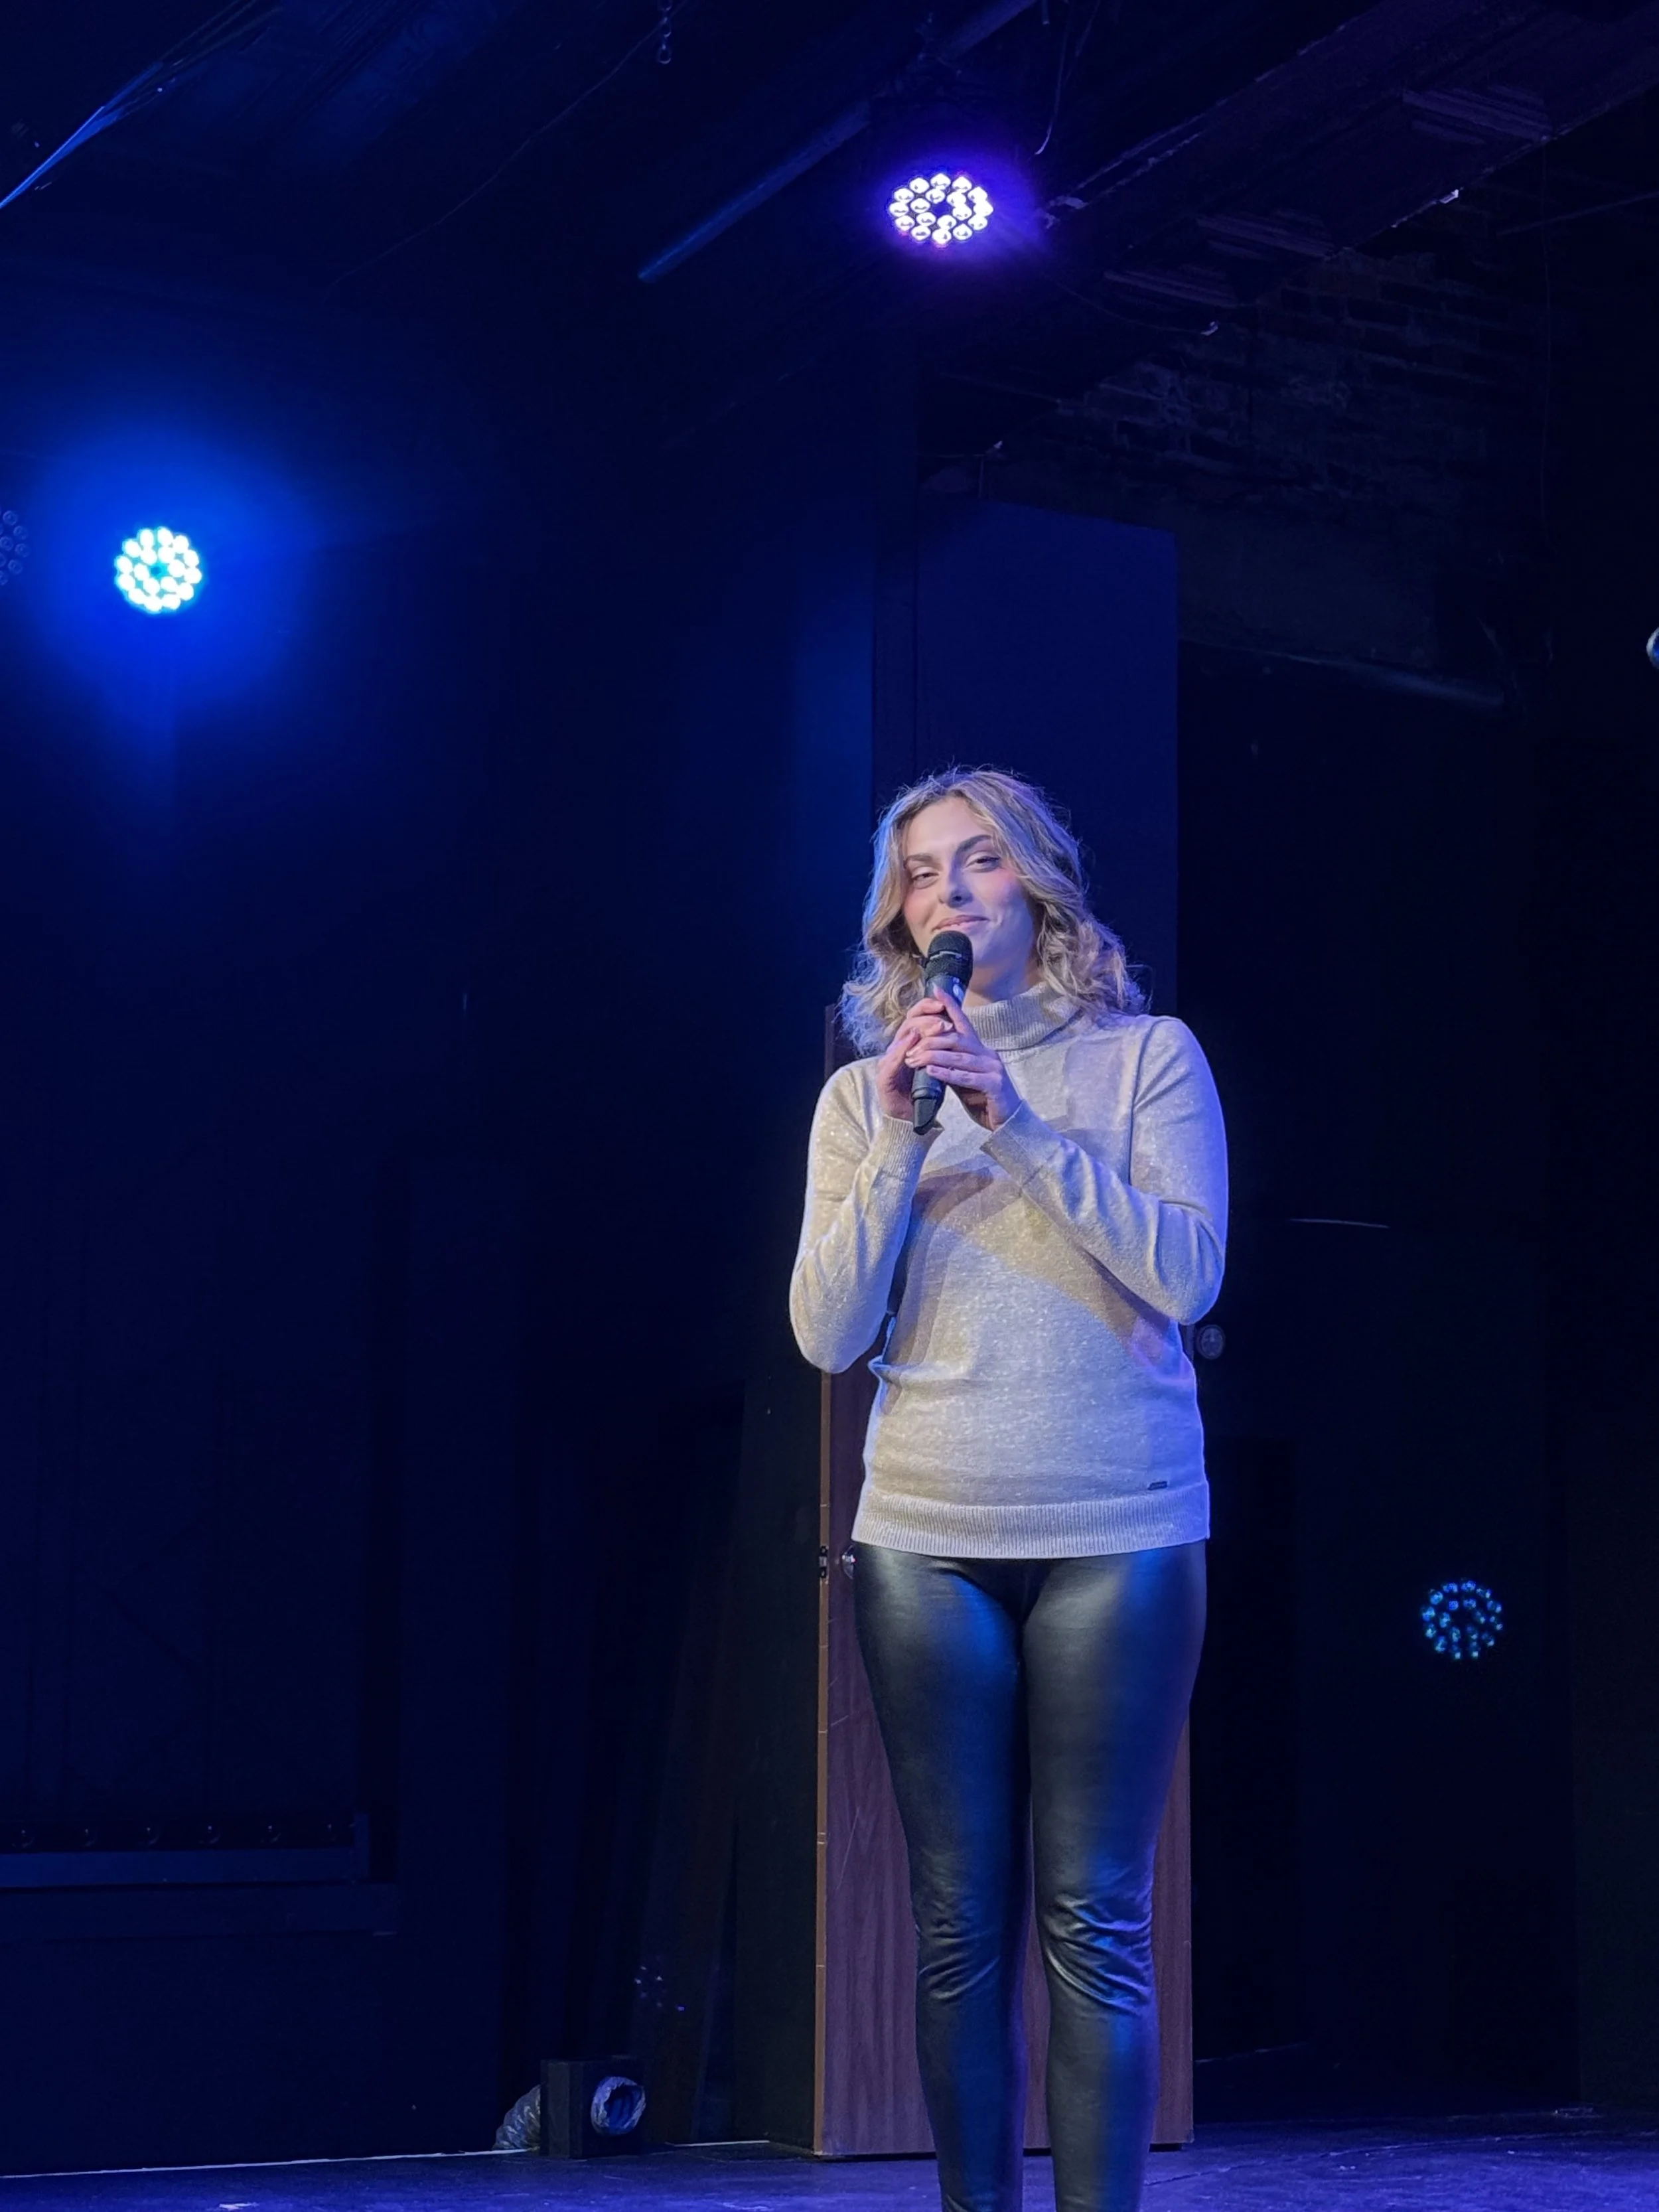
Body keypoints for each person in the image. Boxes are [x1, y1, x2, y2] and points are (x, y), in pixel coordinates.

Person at [789, 767, 1226, 2212]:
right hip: (927, 1531)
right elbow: (824, 1331)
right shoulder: (864, 1097)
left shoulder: (1147, 1058)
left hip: (1121, 1522)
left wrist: (1018, 1125)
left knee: (1093, 1919)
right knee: (953, 1924)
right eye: (921, 873)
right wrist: (914, 1128)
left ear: (1037, 883)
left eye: (979, 862)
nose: (952, 892)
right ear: (896, 919)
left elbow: (1184, 1272)